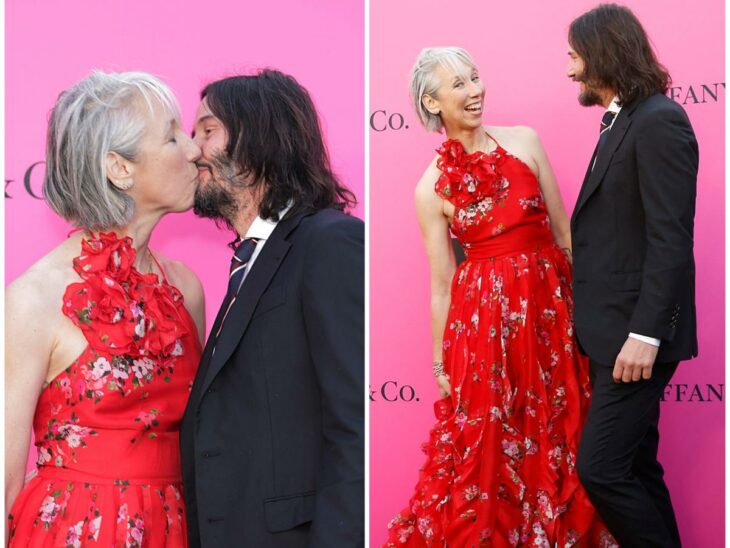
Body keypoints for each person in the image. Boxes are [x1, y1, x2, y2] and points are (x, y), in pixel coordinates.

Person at [385, 47, 616, 547]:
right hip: (484, 331)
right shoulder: (430, 188)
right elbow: (442, 284)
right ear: (432, 101)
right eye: (459, 85)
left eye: (475, 78)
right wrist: (440, 364)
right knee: (494, 449)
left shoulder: (525, 141)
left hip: (550, 314)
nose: (475, 91)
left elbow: (565, 235)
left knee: (563, 434)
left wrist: (590, 316)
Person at [5, 71, 205, 546]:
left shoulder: (186, 288)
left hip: (178, 529)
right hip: (76, 532)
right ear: (119, 168)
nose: (194, 149)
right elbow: (3, 479)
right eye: (172, 136)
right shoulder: (35, 298)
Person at [179, 69, 364, 547]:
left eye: (207, 129)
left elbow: (354, 425)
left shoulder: (327, 242)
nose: (192, 148)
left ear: (258, 138)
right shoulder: (249, 260)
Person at [567, 5, 698, 547]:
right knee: (639, 467)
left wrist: (646, 334)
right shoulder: (623, 120)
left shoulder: (659, 120)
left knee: (601, 469)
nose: (571, 69)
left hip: (634, 338)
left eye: (575, 56)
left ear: (603, 55)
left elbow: (671, 239)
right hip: (609, 335)